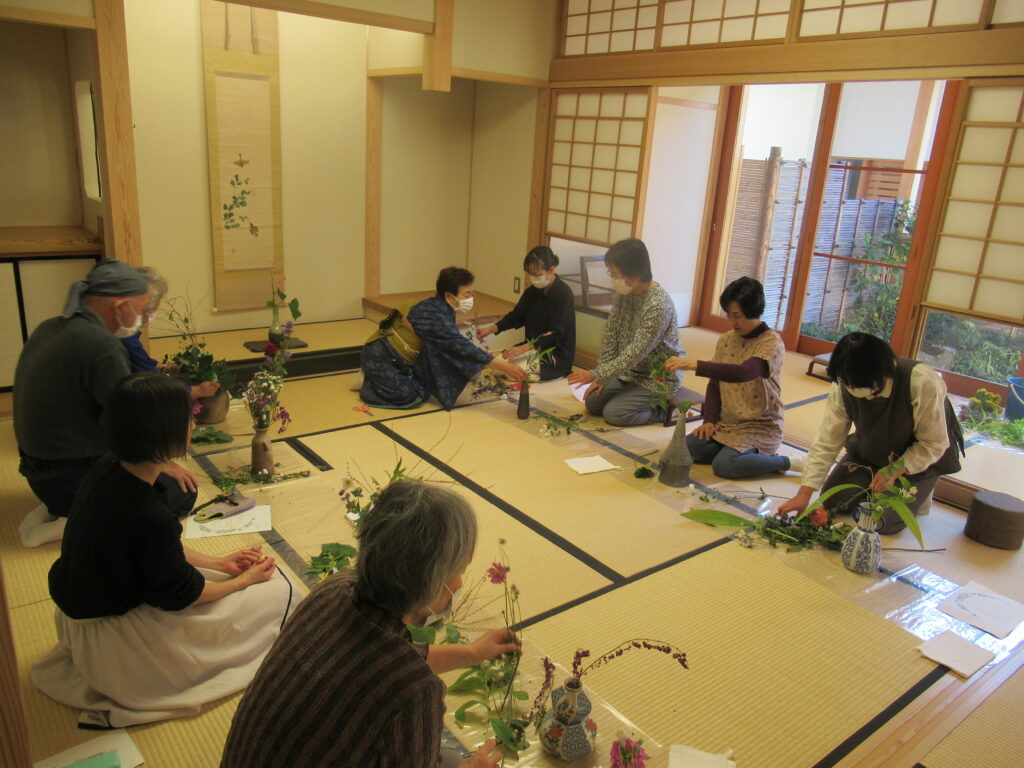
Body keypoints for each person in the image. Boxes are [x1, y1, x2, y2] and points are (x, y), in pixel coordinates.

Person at [32, 372, 296, 728]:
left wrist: (221, 561)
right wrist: (243, 581)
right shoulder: (145, 512)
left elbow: (158, 550)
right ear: (164, 432)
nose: (192, 424)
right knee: (279, 590)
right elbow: (183, 594)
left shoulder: (110, 467)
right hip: (114, 644)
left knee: (229, 577)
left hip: (82, 609)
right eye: (188, 418)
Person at [221, 478, 517, 768]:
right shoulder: (417, 692)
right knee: (454, 759)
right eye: (459, 572)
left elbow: (400, 660)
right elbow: (403, 673)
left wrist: (475, 653)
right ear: (431, 584)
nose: (460, 582)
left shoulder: (334, 590)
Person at [14, 260, 199, 547]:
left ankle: (59, 507)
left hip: (40, 474)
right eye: (141, 310)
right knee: (182, 492)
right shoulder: (101, 345)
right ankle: (75, 518)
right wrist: (162, 463)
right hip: (69, 477)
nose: (143, 317)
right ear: (120, 307)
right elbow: (128, 425)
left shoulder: (51, 327)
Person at [777, 332, 964, 533]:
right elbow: (827, 440)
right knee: (832, 502)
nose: (851, 389)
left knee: (881, 522)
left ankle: (918, 491)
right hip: (870, 451)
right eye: (846, 383)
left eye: (856, 384)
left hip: (916, 460)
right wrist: (803, 494)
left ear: (880, 373)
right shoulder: (843, 384)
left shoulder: (920, 382)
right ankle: (872, 485)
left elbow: (933, 443)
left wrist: (894, 470)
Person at [663, 277, 796, 479]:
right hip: (726, 424)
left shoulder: (771, 343)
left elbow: (743, 373)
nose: (732, 322)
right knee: (682, 448)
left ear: (754, 311)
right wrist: (709, 420)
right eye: (729, 315)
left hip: (759, 425)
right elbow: (715, 383)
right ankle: (737, 453)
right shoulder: (726, 339)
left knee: (725, 467)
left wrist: (694, 364)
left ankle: (787, 462)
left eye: (738, 316)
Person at [567, 239, 683, 426]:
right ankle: (631, 397)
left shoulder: (658, 305)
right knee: (593, 404)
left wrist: (597, 374)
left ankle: (667, 412)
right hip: (629, 372)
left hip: (657, 376)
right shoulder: (624, 294)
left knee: (614, 414)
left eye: (614, 273)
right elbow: (611, 335)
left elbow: (635, 352)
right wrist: (602, 375)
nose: (611, 277)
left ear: (634, 275)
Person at [406, 267, 526, 410]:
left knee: (471, 367)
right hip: (394, 363)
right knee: (411, 394)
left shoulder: (439, 306)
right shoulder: (432, 316)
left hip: (413, 359)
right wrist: (505, 367)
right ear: (449, 297)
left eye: (472, 294)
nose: (471, 298)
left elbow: (453, 342)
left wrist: (483, 361)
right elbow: (459, 345)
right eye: (467, 294)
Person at [476, 246, 576, 380]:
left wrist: (523, 348)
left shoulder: (564, 295)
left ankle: (538, 375)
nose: (532, 278)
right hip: (531, 349)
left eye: (537, 275)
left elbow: (555, 333)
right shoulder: (532, 292)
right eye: (530, 274)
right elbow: (516, 317)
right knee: (497, 366)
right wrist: (491, 329)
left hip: (554, 354)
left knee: (511, 373)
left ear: (551, 270)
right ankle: (532, 374)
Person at [121, 266, 220, 398]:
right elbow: (154, 386)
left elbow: (141, 361)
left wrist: (166, 367)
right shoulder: (125, 337)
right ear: (141, 307)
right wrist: (197, 391)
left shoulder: (125, 330)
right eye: (154, 308)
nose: (154, 313)